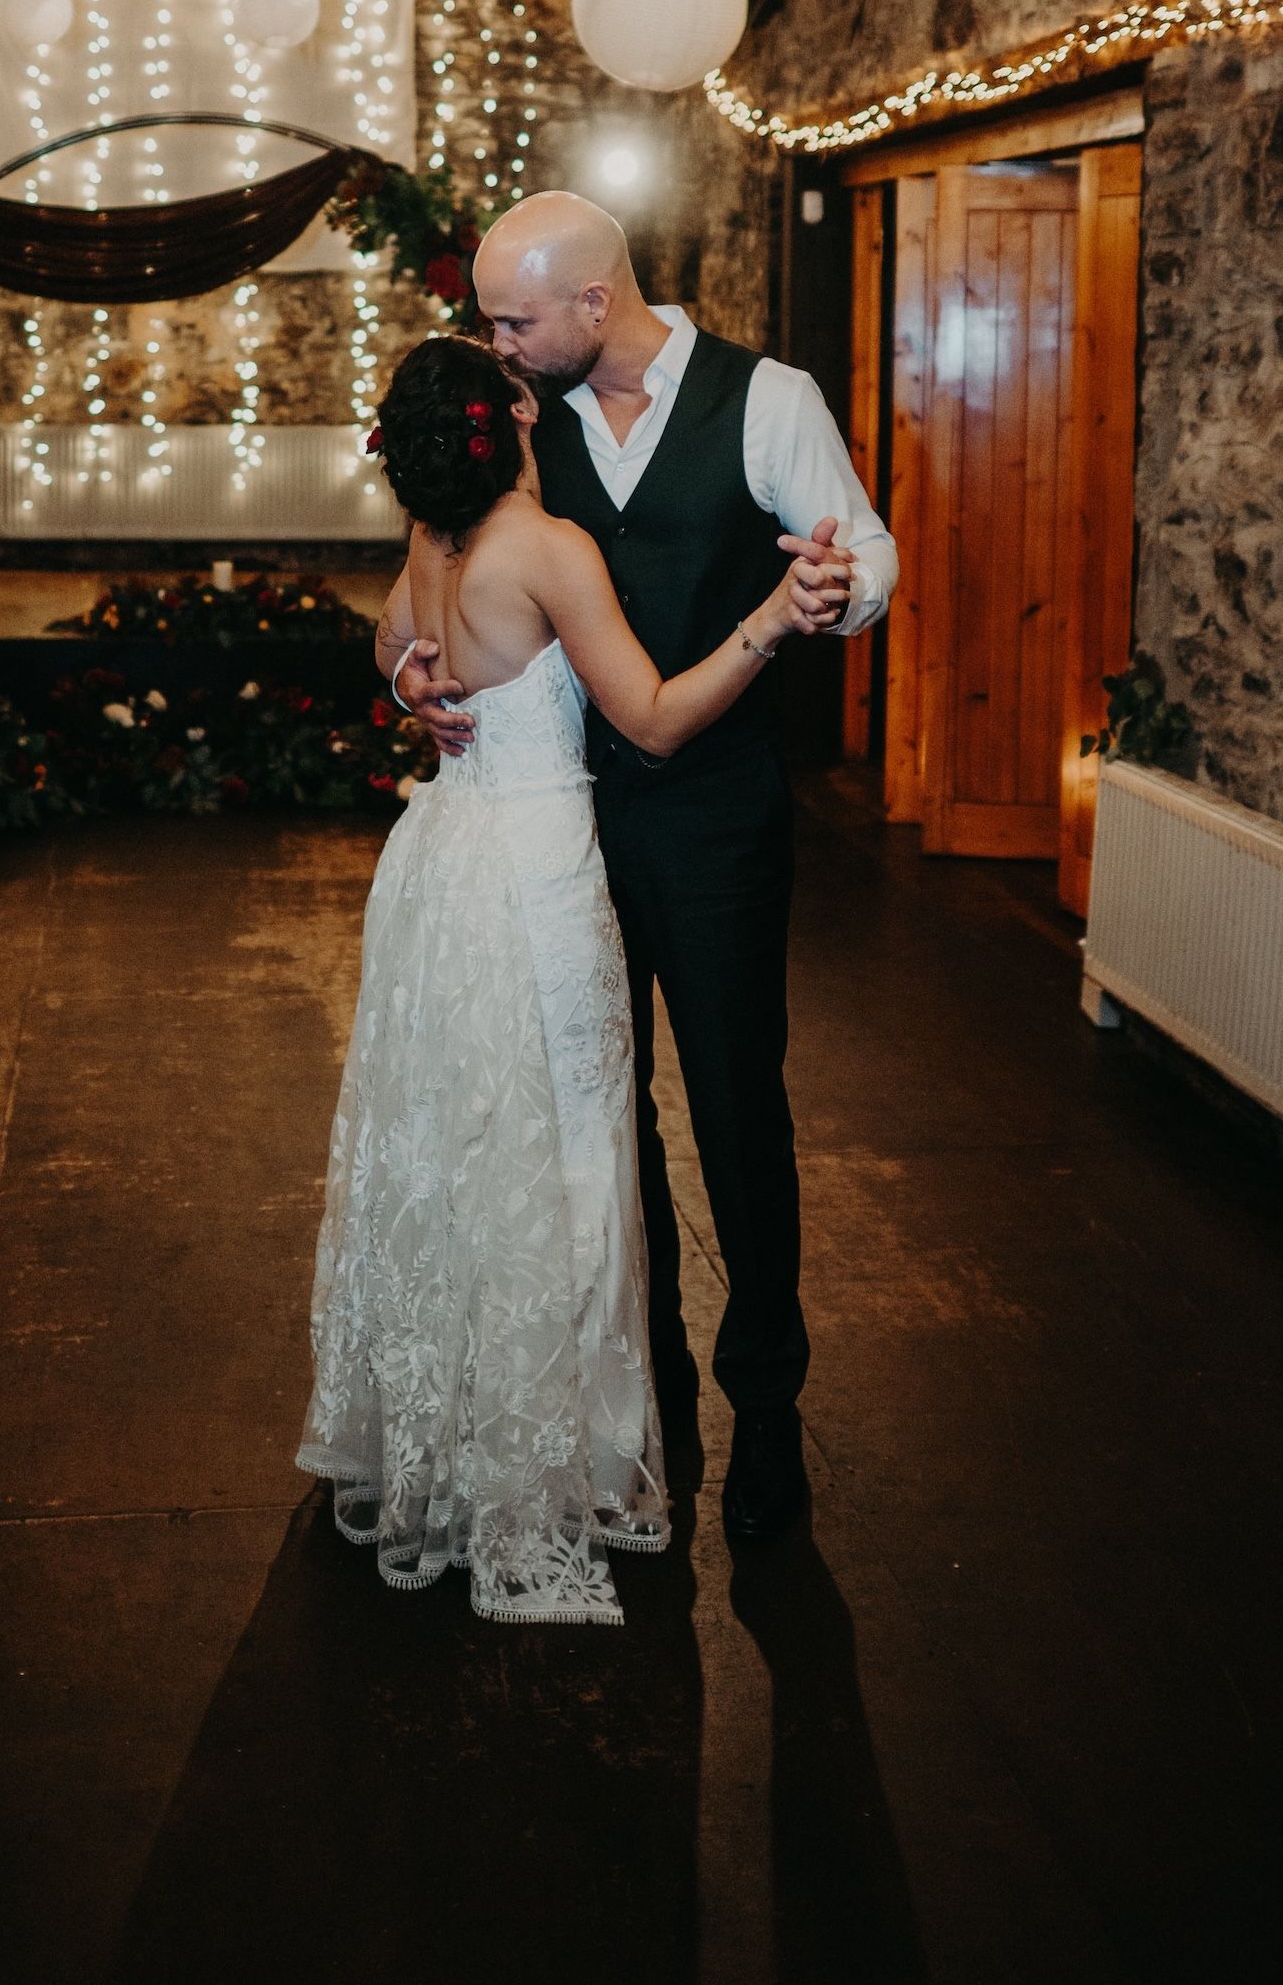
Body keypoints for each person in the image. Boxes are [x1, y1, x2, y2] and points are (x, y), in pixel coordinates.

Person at [299, 334, 844, 1626]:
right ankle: (560, 1450)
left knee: (458, 1138)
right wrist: (769, 622)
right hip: (540, 862)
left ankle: (452, 1420)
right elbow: (649, 718)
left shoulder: (432, 546)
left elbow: (395, 643)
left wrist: (410, 682)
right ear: (500, 425)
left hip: (441, 855)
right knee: (573, 1146)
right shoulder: (547, 548)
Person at [398, 193, 897, 1543]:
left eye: (516, 317)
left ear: (593, 308)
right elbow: (433, 575)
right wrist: (412, 676)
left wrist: (832, 591)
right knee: (596, 1124)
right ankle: (653, 1382)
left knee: (739, 1108)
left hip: (719, 820)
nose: (496, 341)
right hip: (562, 832)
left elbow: (870, 548)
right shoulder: (517, 419)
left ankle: (768, 1401)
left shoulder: (766, 397)